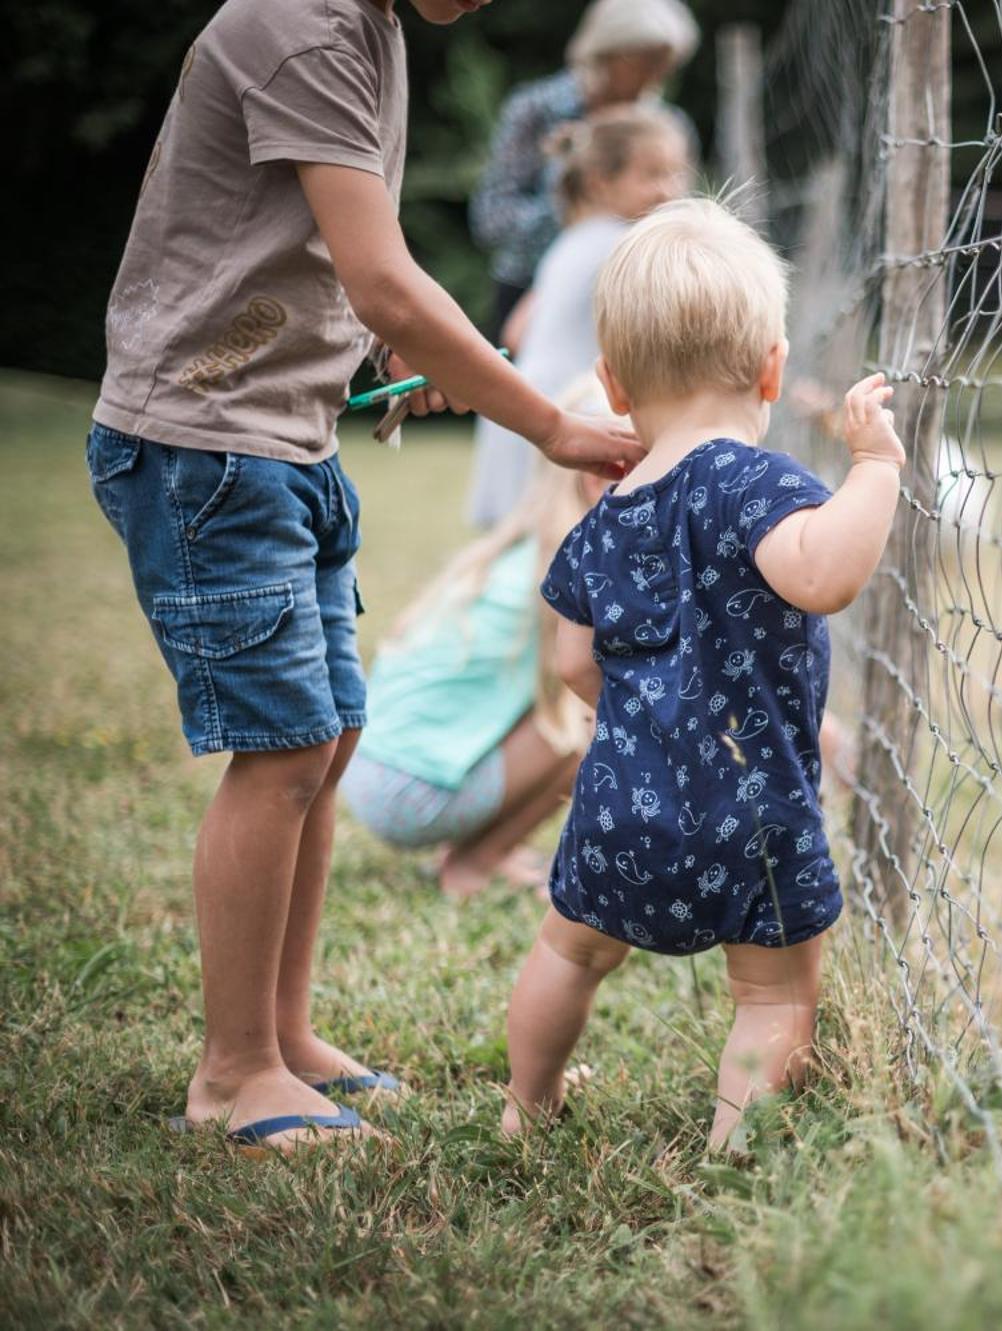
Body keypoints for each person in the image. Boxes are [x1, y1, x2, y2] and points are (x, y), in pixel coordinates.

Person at [85, 0, 645, 1154]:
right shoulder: (301, 27)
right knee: (282, 747)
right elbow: (385, 276)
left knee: (328, 735)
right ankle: (231, 1070)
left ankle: (280, 1034)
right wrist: (548, 424)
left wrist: (378, 347)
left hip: (283, 434)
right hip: (204, 442)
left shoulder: (372, 27)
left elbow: (336, 254)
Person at [499, 199, 906, 1154]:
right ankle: (733, 1147)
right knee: (770, 994)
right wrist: (876, 467)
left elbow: (570, 659)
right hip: (753, 801)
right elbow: (827, 573)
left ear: (612, 382)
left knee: (570, 948)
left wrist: (644, 719)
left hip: (620, 796)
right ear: (771, 367)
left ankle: (528, 1102)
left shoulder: (601, 515)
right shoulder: (756, 484)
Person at [345, 461, 600, 898]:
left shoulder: (514, 551)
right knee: (596, 721)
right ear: (598, 478)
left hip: (368, 773)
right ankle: (474, 863)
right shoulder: (568, 570)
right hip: (410, 796)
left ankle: (483, 848)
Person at [467, 104, 692, 529]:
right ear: (599, 182)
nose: (671, 189)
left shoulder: (569, 243)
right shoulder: (623, 247)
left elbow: (516, 332)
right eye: (653, 175)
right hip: (567, 420)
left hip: (521, 411)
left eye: (677, 173)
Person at [470, 0, 700, 339]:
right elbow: (491, 219)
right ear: (607, 51)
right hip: (529, 294)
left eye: (664, 64)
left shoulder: (669, 129)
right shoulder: (536, 111)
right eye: (645, 61)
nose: (655, 76)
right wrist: (577, 202)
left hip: (634, 301)